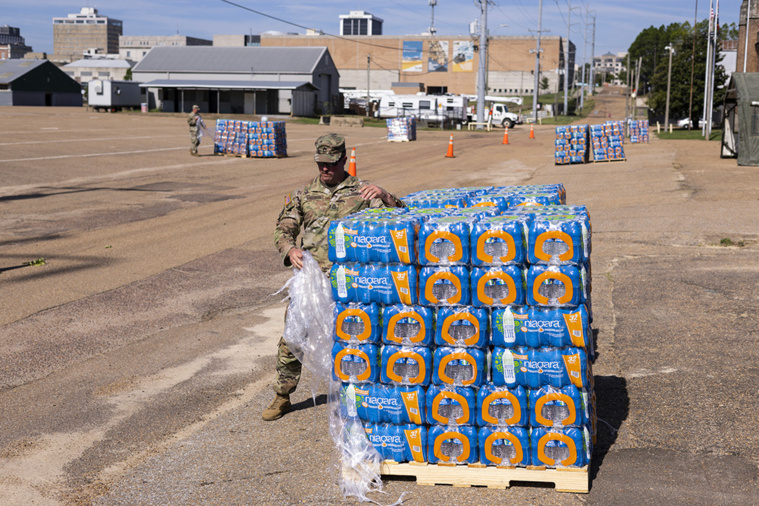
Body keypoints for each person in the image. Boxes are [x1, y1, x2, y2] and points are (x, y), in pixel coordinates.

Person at [264, 133, 405, 421]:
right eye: (320, 164)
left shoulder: (364, 192)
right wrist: (289, 248)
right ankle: (282, 395)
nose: (325, 169)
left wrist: (386, 196)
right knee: (294, 334)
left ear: (343, 160)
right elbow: (284, 226)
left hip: (354, 279)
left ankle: (366, 394)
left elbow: (402, 219)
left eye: (330, 164)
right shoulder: (304, 194)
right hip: (313, 278)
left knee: (360, 334)